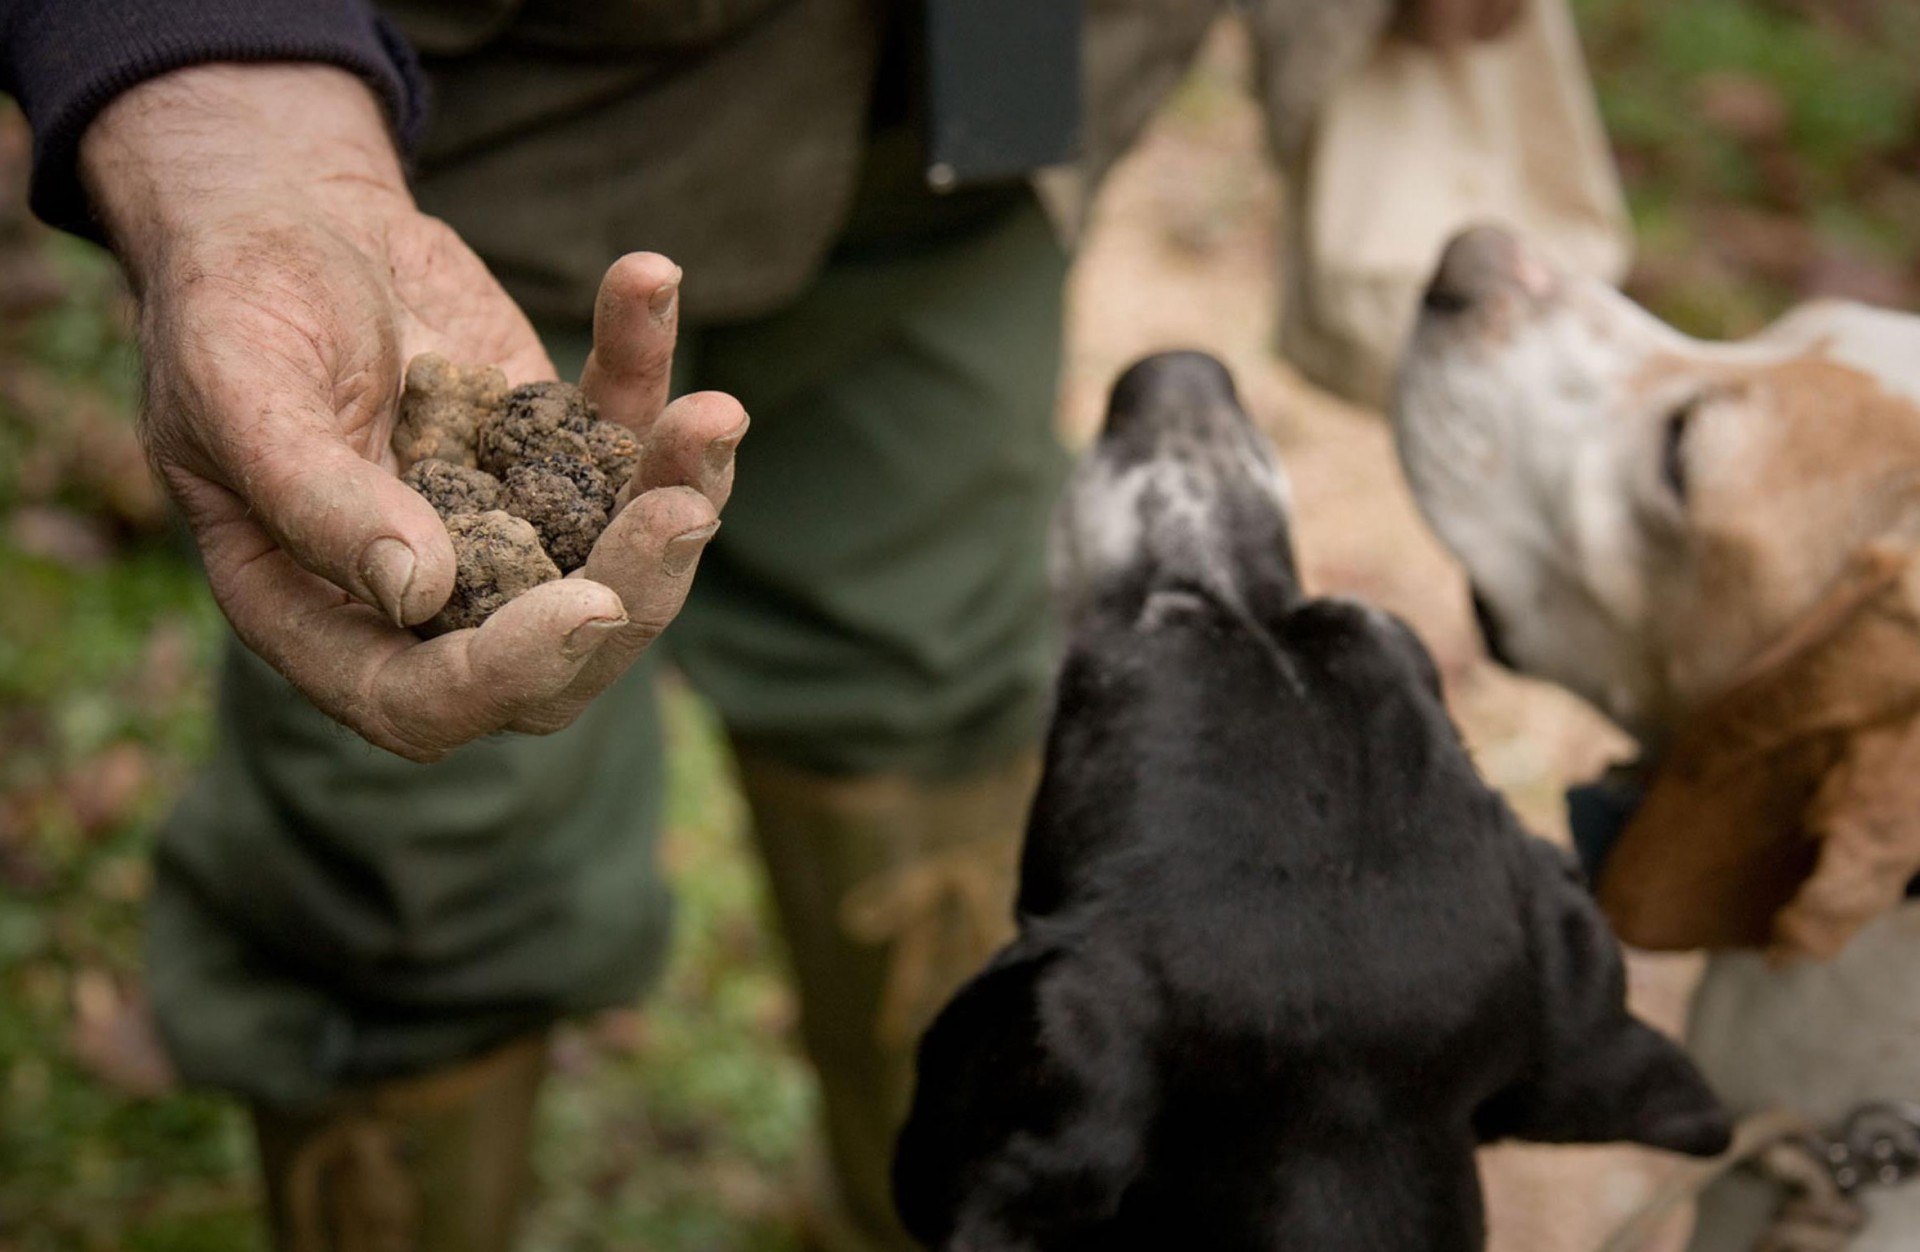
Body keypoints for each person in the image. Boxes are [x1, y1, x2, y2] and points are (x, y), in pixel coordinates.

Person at [2, 1, 1523, 1248]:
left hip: (975, 97)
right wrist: (221, 96)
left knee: (931, 677)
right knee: (412, 852)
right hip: (449, 132)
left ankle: (936, 1212)